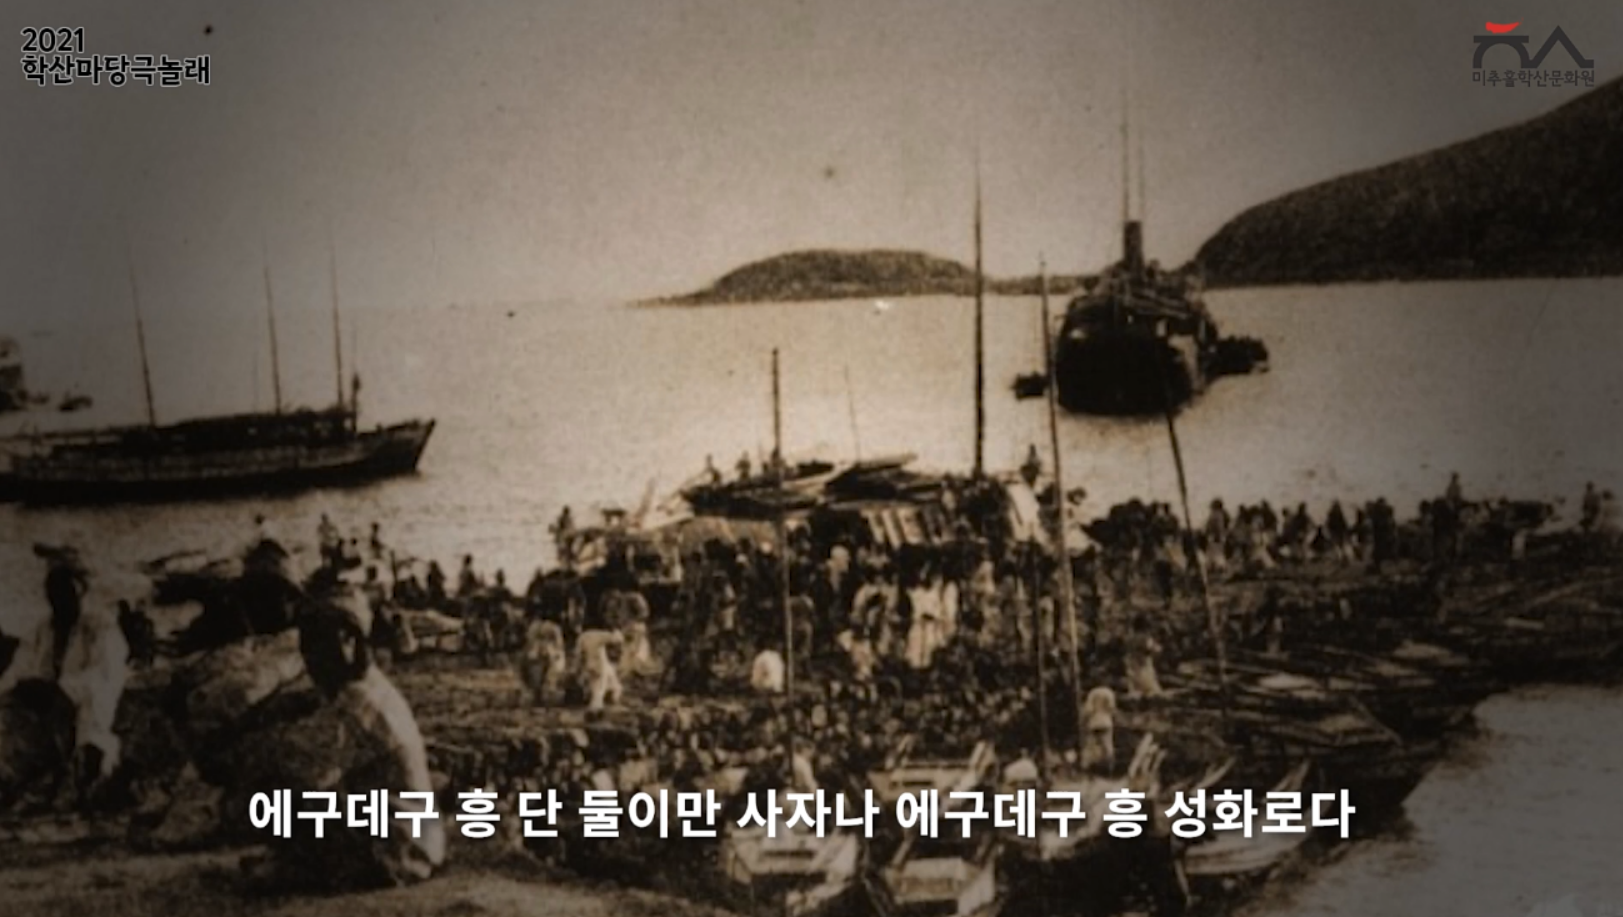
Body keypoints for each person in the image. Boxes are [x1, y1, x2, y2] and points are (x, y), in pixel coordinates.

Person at [239, 603, 445, 892]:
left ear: (350, 643)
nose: (313, 664)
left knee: (283, 787)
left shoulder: (357, 705)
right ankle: (295, 861)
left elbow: (311, 774)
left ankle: (295, 866)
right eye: (309, 652)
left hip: (397, 847)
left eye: (318, 652)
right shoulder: (372, 684)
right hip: (419, 834)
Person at [1081, 686, 1117, 775]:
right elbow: (1111, 708)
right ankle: (1110, 768)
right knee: (1107, 745)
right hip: (1106, 722)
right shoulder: (1109, 692)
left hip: (1094, 722)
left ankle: (1086, 768)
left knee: (1090, 745)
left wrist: (1084, 721)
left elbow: (1088, 709)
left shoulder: (1093, 692)